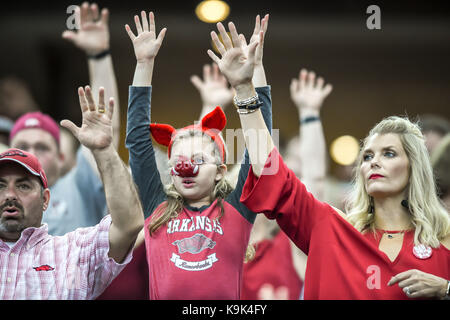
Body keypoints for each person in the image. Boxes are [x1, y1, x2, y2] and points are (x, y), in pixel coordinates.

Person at [125, 11, 272, 299]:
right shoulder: (157, 207)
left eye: (198, 161)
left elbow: (261, 143)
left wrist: (253, 75)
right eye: (179, 162)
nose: (185, 169)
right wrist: (144, 64)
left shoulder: (237, 210)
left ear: (219, 170)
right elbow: (138, 143)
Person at [238, 106, 450, 299]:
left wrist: (446, 288)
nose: (374, 162)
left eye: (389, 153)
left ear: (414, 167)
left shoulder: (444, 237)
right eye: (367, 157)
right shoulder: (331, 229)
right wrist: (246, 91)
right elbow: (272, 175)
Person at [0, 86, 143, 299]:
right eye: (0, 185)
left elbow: (129, 224)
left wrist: (104, 150)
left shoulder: (73, 252)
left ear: (45, 199)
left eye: (23, 186)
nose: (10, 194)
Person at [9, 2, 121, 236]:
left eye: (42, 146)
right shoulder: (4, 200)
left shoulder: (78, 186)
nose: (31, 152)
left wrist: (98, 55)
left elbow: (106, 132)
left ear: (62, 158)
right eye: (22, 147)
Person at [242, 68, 333, 300]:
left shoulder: (294, 241)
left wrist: (309, 114)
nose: (292, 185)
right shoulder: (228, 236)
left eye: (296, 176)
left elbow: (315, 181)